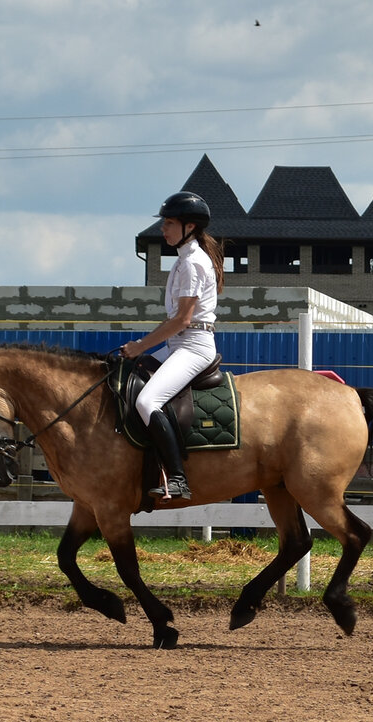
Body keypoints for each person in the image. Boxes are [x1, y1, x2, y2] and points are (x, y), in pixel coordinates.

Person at [121, 191, 224, 500]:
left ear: (189, 227)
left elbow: (182, 319)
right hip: (179, 344)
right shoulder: (182, 261)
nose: (162, 229)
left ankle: (177, 478)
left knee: (146, 402)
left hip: (194, 346)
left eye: (168, 223)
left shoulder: (193, 263)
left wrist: (140, 345)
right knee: (129, 378)